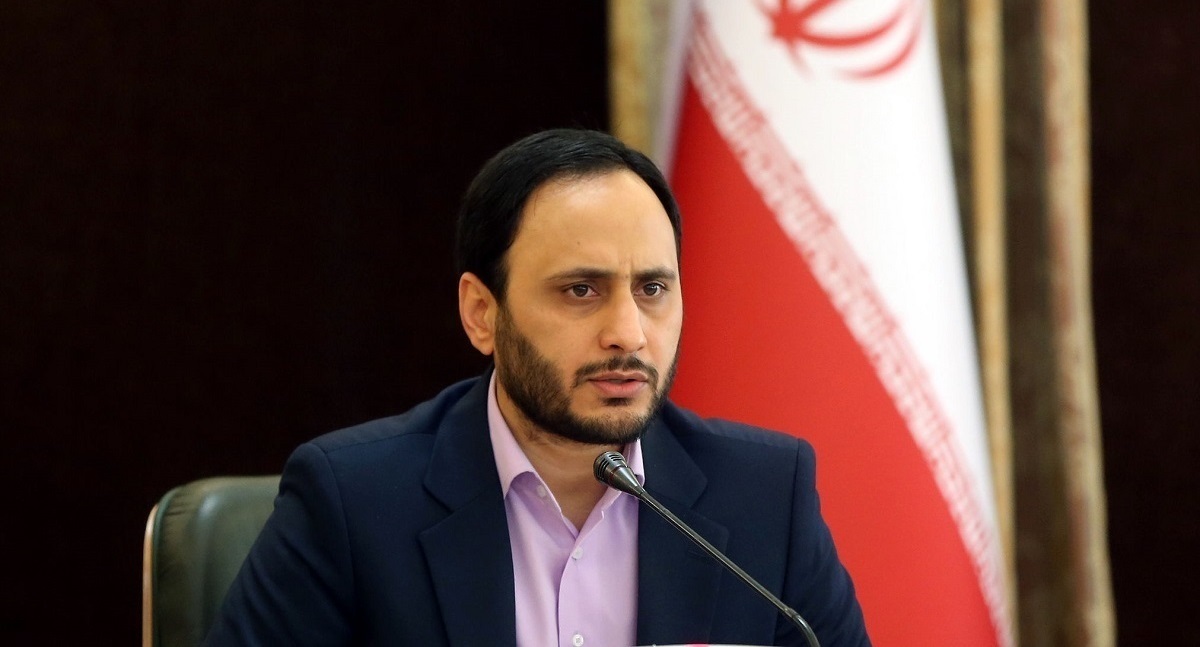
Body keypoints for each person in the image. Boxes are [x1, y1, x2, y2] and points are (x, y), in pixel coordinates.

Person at [205, 129, 870, 646]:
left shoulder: (764, 495)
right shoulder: (354, 502)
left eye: (652, 289)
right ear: (481, 313)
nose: (628, 333)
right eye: (581, 290)